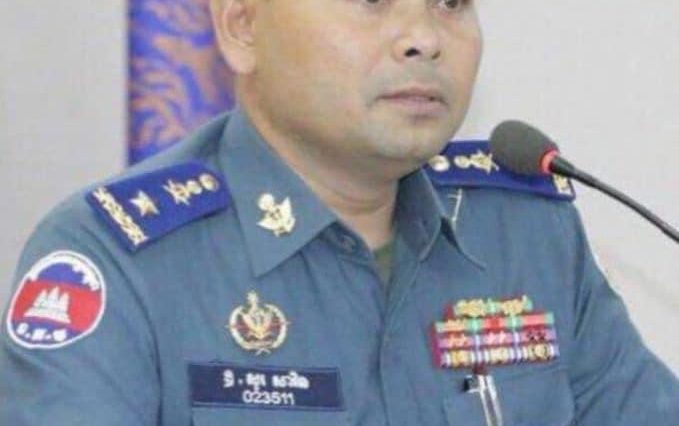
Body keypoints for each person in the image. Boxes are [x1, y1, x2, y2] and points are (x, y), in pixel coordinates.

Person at [1, 0, 677, 424]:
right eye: (372, 0)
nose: (423, 37)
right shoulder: (115, 260)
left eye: (450, 2)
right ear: (242, 26)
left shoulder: (523, 232)